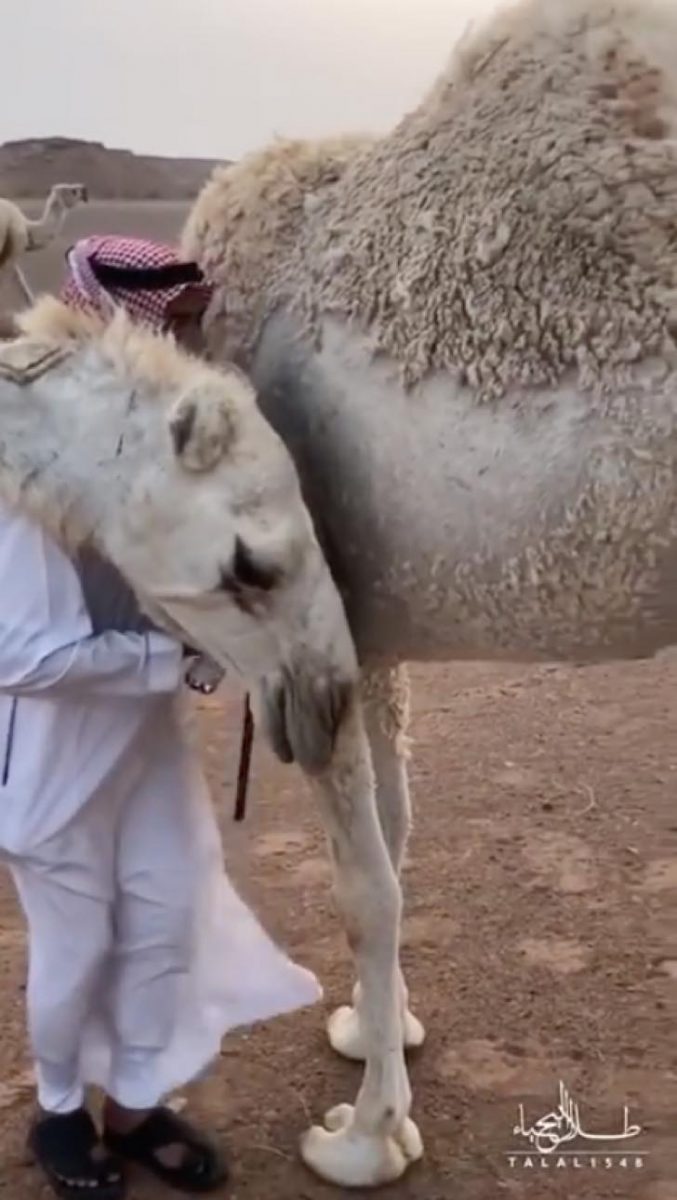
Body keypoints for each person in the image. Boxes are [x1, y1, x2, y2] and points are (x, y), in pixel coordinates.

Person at [0, 236, 321, 1200]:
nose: (191, 342)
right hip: (51, 765)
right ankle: (59, 1112)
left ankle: (134, 1106)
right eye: (174, 326)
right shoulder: (24, 464)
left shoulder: (155, 443)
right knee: (78, 946)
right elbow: (23, 655)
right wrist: (172, 658)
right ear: (123, 327)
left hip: (145, 748)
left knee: (167, 920)